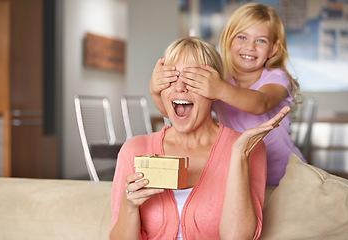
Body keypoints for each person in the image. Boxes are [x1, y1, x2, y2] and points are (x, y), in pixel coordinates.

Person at [110, 36, 290, 239]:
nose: (179, 88)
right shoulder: (134, 150)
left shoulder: (249, 149)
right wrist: (129, 205)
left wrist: (239, 154)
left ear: (214, 90)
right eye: (171, 78)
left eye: (192, 80)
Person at [149, 2, 305, 186]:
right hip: (242, 172)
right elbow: (175, 114)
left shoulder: (277, 77)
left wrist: (219, 89)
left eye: (261, 40)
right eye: (242, 37)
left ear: (273, 49)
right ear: (228, 39)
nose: (250, 46)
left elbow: (261, 103)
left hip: (284, 176)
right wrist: (155, 90)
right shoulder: (217, 79)